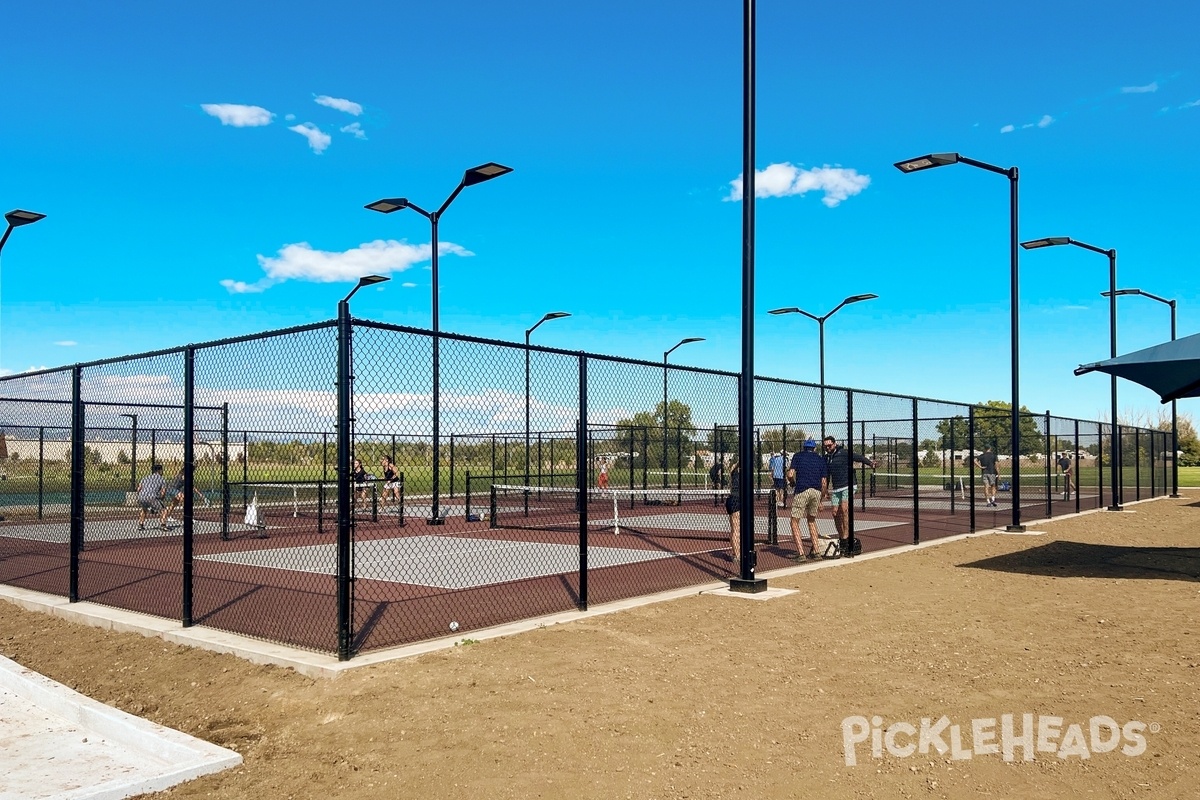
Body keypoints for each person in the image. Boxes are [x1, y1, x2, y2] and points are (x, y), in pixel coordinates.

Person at [822, 435, 876, 557]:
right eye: (825, 446)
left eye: (829, 446)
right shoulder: (826, 458)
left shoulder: (844, 453)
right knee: (835, 513)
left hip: (848, 485)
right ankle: (842, 538)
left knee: (844, 510)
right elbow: (827, 474)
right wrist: (825, 491)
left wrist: (870, 463)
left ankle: (846, 538)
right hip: (836, 488)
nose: (827, 448)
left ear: (834, 444)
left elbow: (859, 457)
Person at [787, 439, 828, 560]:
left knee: (794, 522)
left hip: (802, 490)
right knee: (811, 520)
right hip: (816, 491)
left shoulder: (798, 456)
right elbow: (824, 483)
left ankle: (801, 553)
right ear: (815, 449)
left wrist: (793, 482)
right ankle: (816, 551)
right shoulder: (820, 459)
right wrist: (821, 498)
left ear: (804, 448)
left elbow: (790, 474)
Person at [136, 463, 169, 531]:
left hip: (141, 496)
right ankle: (163, 525)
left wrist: (140, 496)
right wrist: (161, 499)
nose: (162, 472)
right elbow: (163, 493)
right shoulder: (162, 479)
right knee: (164, 510)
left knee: (144, 509)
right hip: (152, 497)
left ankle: (140, 524)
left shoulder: (145, 478)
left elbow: (138, 489)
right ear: (159, 471)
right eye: (162, 470)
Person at [725, 459, 741, 570]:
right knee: (737, 529)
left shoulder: (733, 471)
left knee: (734, 529)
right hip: (737, 500)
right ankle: (737, 555)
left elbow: (733, 467)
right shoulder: (743, 474)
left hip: (731, 499)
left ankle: (736, 553)